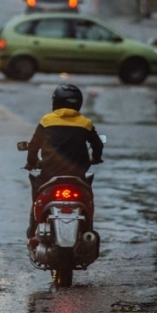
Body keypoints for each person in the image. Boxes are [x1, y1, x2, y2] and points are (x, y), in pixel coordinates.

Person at [24, 84, 104, 246]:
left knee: (37, 194)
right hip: (78, 175)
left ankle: (34, 229)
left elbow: (33, 146)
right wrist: (96, 158)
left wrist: (31, 162)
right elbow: (98, 146)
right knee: (87, 198)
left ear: (56, 102)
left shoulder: (47, 121)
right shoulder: (85, 123)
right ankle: (88, 229)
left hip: (49, 174)